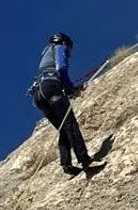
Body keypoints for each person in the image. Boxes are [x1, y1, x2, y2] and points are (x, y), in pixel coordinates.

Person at [31, 32, 98, 176]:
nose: (69, 53)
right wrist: (69, 89)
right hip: (51, 87)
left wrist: (72, 89)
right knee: (70, 123)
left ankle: (67, 164)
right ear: (65, 43)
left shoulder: (46, 54)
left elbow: (55, 77)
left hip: (40, 95)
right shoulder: (59, 48)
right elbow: (61, 68)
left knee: (63, 129)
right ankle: (84, 160)